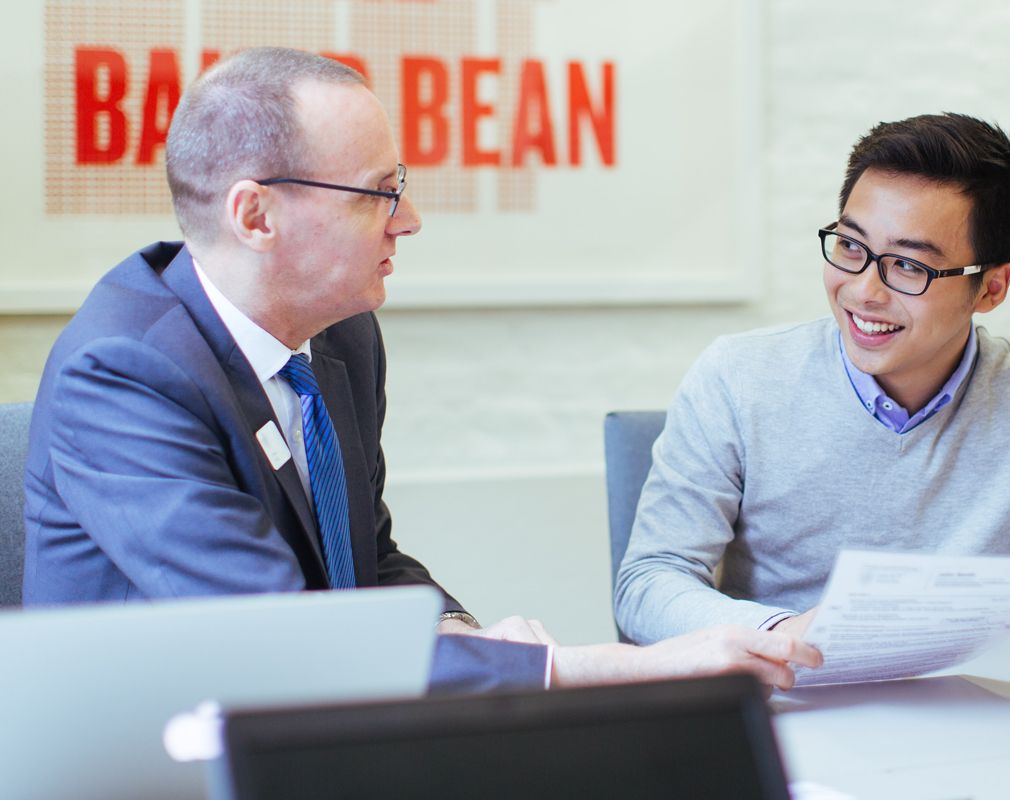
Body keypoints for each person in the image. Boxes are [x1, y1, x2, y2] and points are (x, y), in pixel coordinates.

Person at [22, 47, 820, 694]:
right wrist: (612, 669)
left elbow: (366, 561)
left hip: (322, 738)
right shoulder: (122, 376)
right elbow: (282, 641)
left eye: (398, 186)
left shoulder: (341, 336)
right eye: (376, 193)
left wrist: (457, 631)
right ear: (256, 216)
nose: (408, 219)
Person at [614, 113, 1010, 695]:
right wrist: (781, 635)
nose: (864, 290)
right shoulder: (737, 378)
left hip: (956, 712)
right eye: (851, 246)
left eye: (909, 265)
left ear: (991, 288)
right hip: (785, 708)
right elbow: (648, 582)